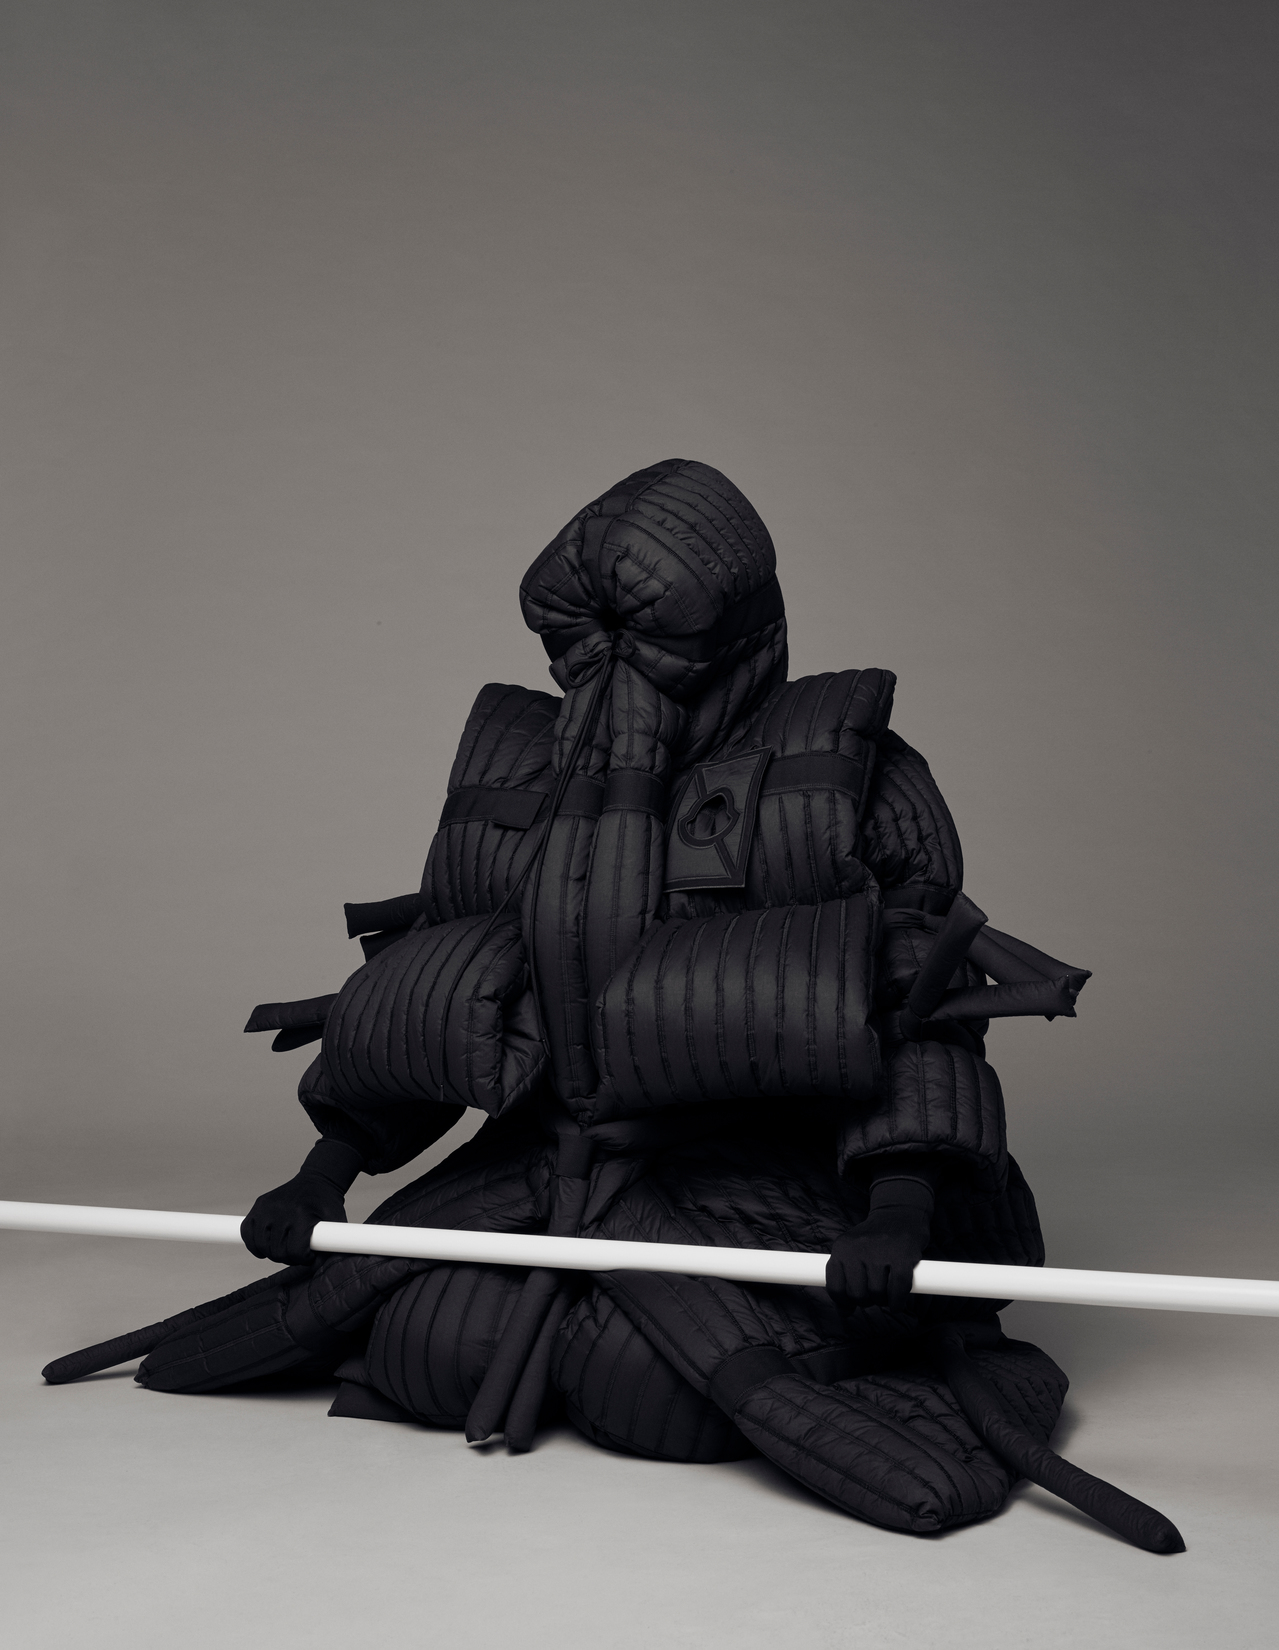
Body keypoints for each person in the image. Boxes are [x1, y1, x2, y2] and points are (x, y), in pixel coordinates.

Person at [46, 459, 1181, 1550]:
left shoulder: (848, 782)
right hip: (542, 1161)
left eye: (651, 638)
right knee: (430, 1343)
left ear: (737, 627)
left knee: (650, 1390)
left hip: (760, 1169)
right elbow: (441, 983)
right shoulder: (521, 779)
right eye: (585, 642)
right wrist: (323, 1174)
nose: (615, 672)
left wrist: (898, 1210)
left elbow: (919, 1004)